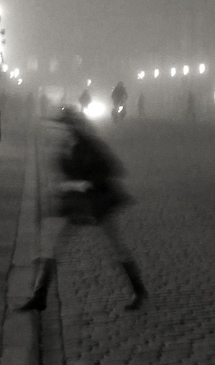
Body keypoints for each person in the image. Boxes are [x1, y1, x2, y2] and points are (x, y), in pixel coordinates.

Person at [17, 106, 147, 312]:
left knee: (115, 247)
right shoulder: (65, 147)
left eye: (62, 127)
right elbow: (66, 171)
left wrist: (83, 183)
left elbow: (112, 168)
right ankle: (39, 296)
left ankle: (138, 290)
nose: (58, 131)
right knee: (54, 244)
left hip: (98, 202)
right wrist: (67, 186)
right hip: (76, 203)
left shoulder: (90, 145)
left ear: (72, 127)